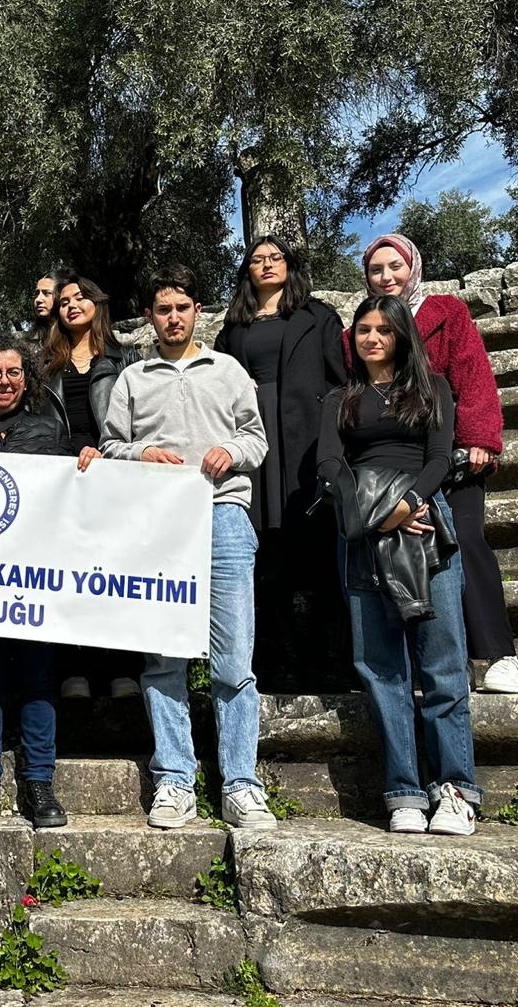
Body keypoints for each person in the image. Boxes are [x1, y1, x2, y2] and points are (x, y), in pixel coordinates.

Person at [101, 266, 276, 831]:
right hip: (158, 524)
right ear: (150, 317)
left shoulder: (228, 370)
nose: (172, 318)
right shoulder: (132, 379)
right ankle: (174, 779)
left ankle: (241, 785)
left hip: (224, 513)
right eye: (162, 309)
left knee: (234, 659)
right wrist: (140, 454)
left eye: (181, 307)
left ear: (197, 310)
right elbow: (109, 445)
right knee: (163, 658)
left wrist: (231, 449)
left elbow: (258, 439)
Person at [317, 294, 479, 835]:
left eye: (383, 330)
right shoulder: (339, 398)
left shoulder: (433, 389)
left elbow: (439, 458)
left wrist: (406, 506)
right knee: (382, 666)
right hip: (363, 537)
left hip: (427, 528)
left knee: (442, 662)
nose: (372, 338)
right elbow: (331, 464)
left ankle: (455, 788)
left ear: (401, 335)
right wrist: (374, 516)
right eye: (363, 330)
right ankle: (405, 790)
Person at [0, 335, 103, 830]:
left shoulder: (47, 427)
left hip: (33, 582)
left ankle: (39, 784)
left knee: (38, 679)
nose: (4, 381)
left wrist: (88, 459)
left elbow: (75, 485)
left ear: (27, 379)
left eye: (14, 372)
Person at [362, 234, 518, 694]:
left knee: (467, 540)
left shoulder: (446, 313)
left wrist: (480, 440)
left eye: (395, 266)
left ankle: (500, 655)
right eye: (376, 270)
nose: (386, 276)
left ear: (413, 267)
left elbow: (473, 375)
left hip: (452, 459)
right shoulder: (364, 327)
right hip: (397, 467)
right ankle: (424, 663)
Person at [214, 235, 349, 691]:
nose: (267, 265)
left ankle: (328, 660)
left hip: (306, 440)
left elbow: (340, 381)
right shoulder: (233, 328)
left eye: (275, 258)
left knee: (314, 547)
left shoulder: (319, 316)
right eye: (257, 259)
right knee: (262, 553)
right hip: (254, 441)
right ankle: (274, 661)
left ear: (289, 266)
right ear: (247, 271)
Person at [41, 273, 138, 701]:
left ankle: (120, 666)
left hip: (113, 473)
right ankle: (73, 666)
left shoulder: (126, 356)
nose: (72, 305)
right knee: (66, 573)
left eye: (81, 297)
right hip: (63, 478)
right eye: (64, 301)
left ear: (97, 303)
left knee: (114, 574)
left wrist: (107, 453)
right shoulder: (44, 362)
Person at [31, 272, 62, 345]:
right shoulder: (33, 340)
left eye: (47, 293)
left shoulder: (76, 336)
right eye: (37, 293)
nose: (38, 299)